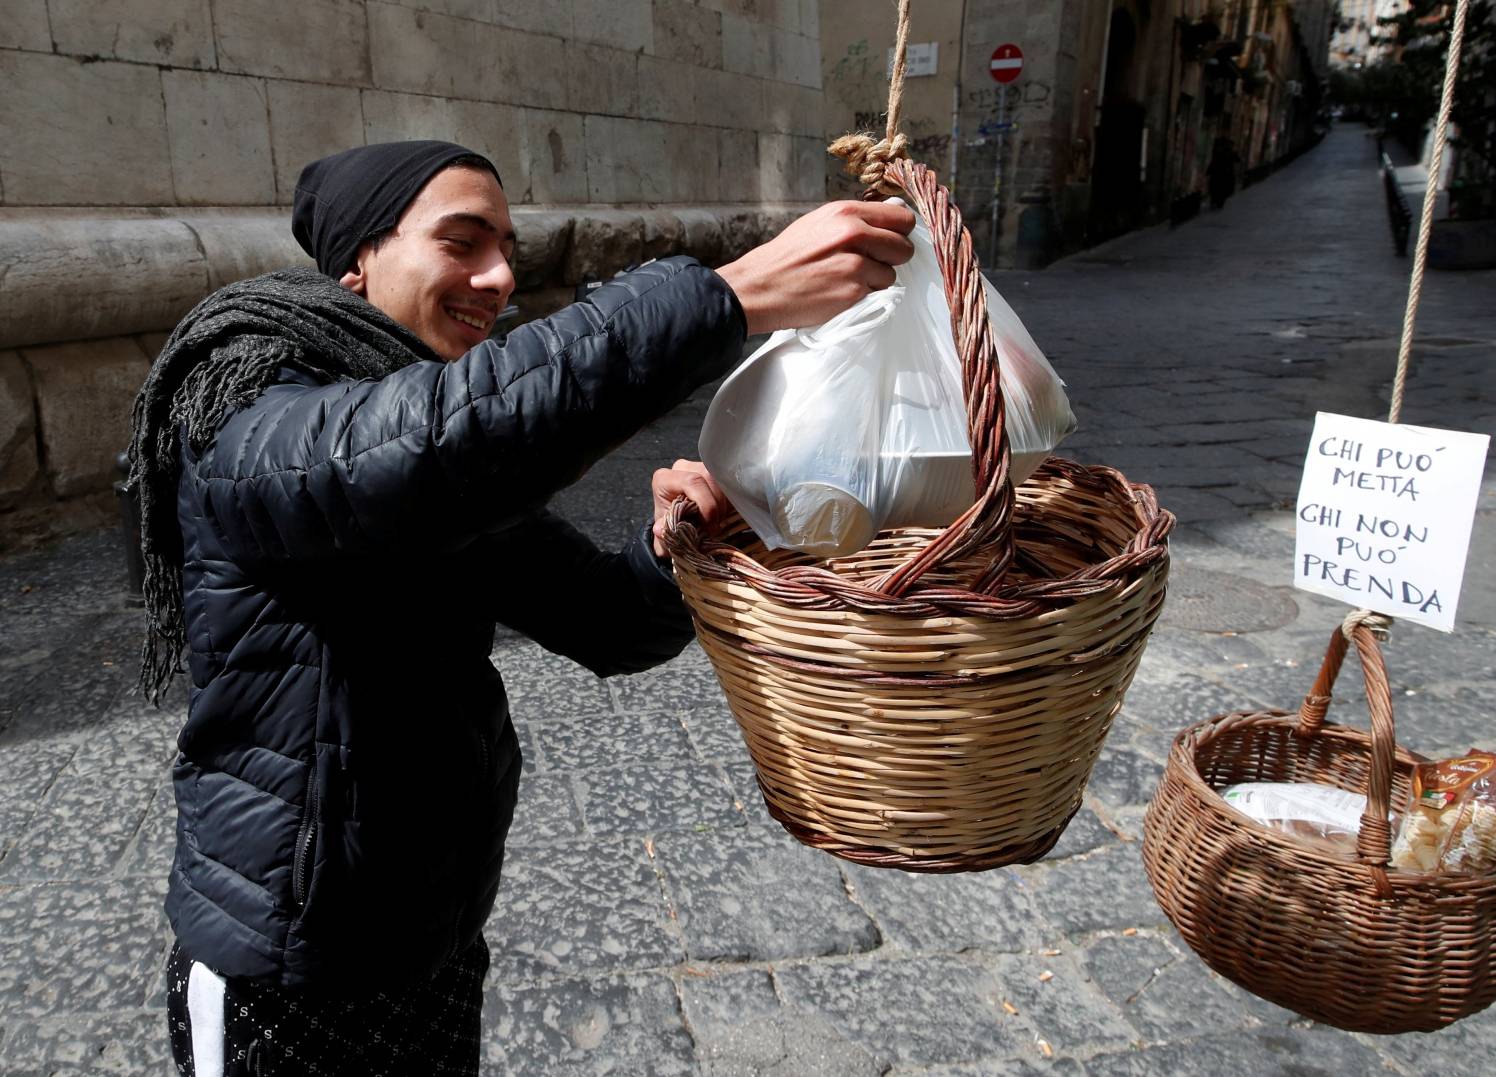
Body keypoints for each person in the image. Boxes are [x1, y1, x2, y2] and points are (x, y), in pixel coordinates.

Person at [129, 140, 915, 1075]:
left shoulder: (447, 475)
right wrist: (727, 295)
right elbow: (430, 444)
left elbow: (610, 619)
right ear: (356, 267)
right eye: (462, 242)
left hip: (433, 937)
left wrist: (676, 546)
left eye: (507, 246)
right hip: (288, 969)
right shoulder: (249, 406)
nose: (500, 277)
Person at [1208, 134, 1240, 210]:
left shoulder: (1221, 151)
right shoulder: (1227, 152)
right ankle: (1217, 201)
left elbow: (1237, 160)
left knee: (1217, 188)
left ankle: (1216, 201)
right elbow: (1238, 160)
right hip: (1223, 174)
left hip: (1220, 174)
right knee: (1220, 188)